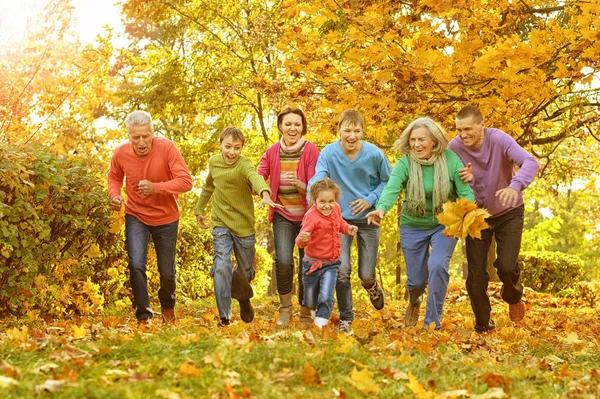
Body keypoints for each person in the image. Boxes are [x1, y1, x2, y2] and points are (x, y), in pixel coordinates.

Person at [367, 117, 474, 330]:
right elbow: (392, 188)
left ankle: (432, 322)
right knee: (416, 282)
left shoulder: (452, 160)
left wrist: (468, 214)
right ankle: (414, 300)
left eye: (422, 139)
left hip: (444, 223)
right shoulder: (406, 162)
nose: (417, 144)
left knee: (438, 266)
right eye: (413, 139)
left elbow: (465, 193)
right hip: (413, 225)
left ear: (434, 140)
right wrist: (380, 209)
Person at [449, 105, 540, 333]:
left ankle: (513, 295)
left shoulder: (499, 139)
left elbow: (530, 162)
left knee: (506, 266)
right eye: (459, 129)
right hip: (477, 216)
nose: (463, 134)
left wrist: (515, 186)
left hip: (509, 211)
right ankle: (483, 323)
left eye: (468, 128)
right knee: (476, 275)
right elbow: (449, 179)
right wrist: (465, 180)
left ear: (482, 125)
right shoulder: (454, 147)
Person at [308, 109, 391, 332]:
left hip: (368, 219)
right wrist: (313, 193)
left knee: (366, 274)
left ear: (363, 131)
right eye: (347, 130)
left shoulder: (374, 154)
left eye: (356, 130)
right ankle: (347, 318)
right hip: (339, 220)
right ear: (339, 131)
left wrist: (370, 199)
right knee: (341, 270)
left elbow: (388, 182)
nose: (352, 135)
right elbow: (320, 174)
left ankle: (372, 287)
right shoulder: (329, 153)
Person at [108, 110, 193, 325]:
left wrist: (156, 188)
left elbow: (186, 182)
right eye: (136, 137)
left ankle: (167, 309)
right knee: (136, 264)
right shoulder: (120, 153)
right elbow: (115, 177)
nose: (141, 142)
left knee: (166, 271)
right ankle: (143, 316)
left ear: (153, 133)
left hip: (166, 217)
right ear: (129, 136)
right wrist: (115, 195)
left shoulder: (167, 148)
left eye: (146, 136)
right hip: (136, 215)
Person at [195, 127, 280, 326]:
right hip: (220, 222)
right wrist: (200, 209)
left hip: (244, 226)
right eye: (227, 147)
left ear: (242, 148)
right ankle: (224, 316)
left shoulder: (244, 164)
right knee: (222, 266)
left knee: (246, 272)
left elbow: (255, 177)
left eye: (237, 147)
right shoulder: (214, 162)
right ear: (220, 144)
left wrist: (265, 194)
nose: (232, 152)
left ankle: (243, 296)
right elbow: (209, 185)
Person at [258, 107, 320, 327]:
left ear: (303, 126)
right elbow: (258, 175)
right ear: (280, 126)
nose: (293, 128)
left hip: (308, 217)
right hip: (282, 214)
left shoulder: (311, 151)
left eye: (297, 124)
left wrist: (303, 187)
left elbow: (317, 183)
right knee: (283, 260)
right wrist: (264, 194)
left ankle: (305, 311)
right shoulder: (272, 151)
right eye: (288, 124)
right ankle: (285, 309)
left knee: (308, 263)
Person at [296, 178, 358, 328]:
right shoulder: (311, 217)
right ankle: (308, 311)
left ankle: (320, 323)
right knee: (310, 299)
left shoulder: (335, 208)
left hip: (331, 263)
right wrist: (303, 239)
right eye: (322, 201)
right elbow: (300, 240)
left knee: (326, 295)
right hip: (311, 264)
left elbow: (339, 223)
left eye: (331, 201)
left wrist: (347, 228)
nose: (327, 205)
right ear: (314, 200)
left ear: (336, 200)